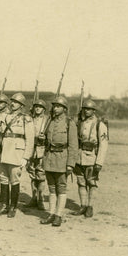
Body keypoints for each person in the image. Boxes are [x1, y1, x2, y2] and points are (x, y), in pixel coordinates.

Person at [0, 92, 34, 218]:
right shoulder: (6, 117)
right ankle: (4, 205)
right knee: (3, 179)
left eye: (16, 102)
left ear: (21, 105)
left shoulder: (26, 119)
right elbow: (0, 135)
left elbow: (30, 139)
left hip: (17, 153)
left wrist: (26, 157)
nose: (13, 104)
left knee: (14, 180)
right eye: (12, 102)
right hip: (4, 151)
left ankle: (13, 207)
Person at [40, 96, 78, 227]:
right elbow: (45, 140)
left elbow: (73, 145)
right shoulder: (50, 121)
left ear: (64, 108)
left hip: (62, 159)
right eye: (54, 106)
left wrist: (70, 164)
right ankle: (51, 213)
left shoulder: (69, 123)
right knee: (51, 188)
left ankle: (59, 215)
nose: (55, 108)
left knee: (61, 188)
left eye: (58, 106)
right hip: (49, 158)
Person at [71, 99, 108, 218]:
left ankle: (90, 206)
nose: (86, 111)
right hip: (80, 156)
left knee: (92, 183)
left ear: (94, 111)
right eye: (85, 109)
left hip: (92, 157)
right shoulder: (80, 123)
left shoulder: (99, 124)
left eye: (89, 109)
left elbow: (103, 144)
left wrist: (99, 162)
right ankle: (83, 205)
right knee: (81, 182)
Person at [25, 99, 50, 210]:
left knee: (41, 175)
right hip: (31, 149)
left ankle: (40, 199)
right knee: (32, 174)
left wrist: (45, 138)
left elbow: (51, 134)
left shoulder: (48, 120)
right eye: (36, 107)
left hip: (41, 149)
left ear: (44, 109)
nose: (37, 108)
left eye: (40, 107)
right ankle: (34, 198)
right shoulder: (30, 119)